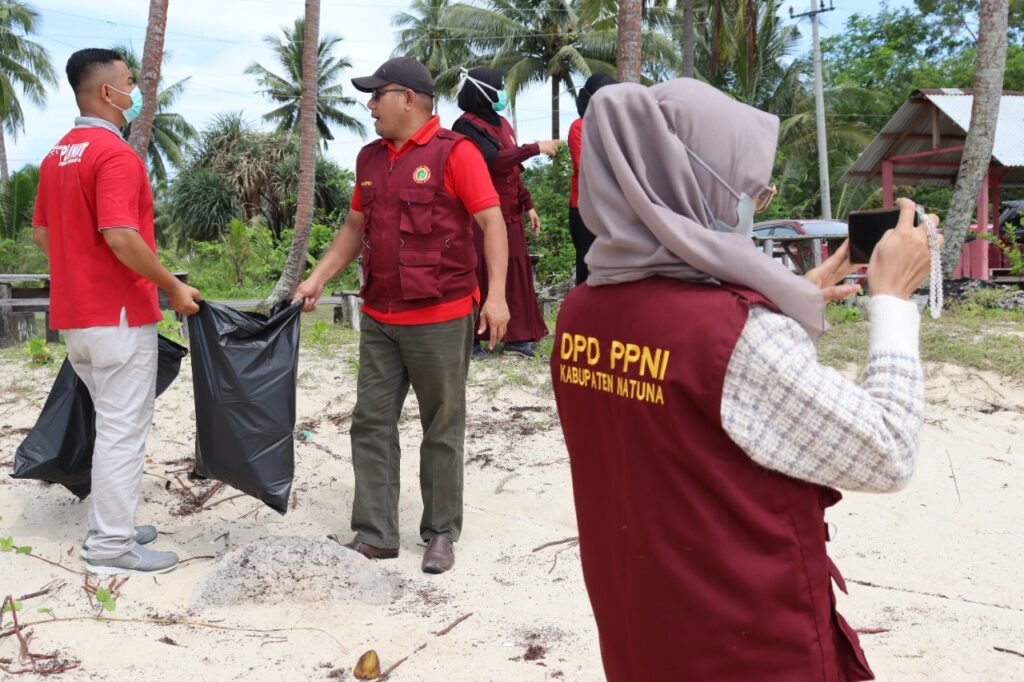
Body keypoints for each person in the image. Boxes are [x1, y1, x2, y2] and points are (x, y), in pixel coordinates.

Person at [550, 78, 941, 681]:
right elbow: (888, 451)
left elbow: (681, 408)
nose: (752, 201)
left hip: (646, 633)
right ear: (693, 183)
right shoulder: (738, 336)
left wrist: (779, 305)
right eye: (746, 185)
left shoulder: (581, 311)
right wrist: (891, 301)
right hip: (751, 644)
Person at [292, 58, 510, 575]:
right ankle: (375, 534)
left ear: (408, 98)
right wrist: (318, 277)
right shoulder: (369, 158)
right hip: (381, 316)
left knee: (441, 426)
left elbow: (492, 222)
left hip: (441, 314)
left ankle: (439, 533)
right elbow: (353, 228)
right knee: (370, 423)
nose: (369, 104)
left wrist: (497, 296)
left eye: (376, 95)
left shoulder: (454, 154)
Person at [31, 48, 202, 575]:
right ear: (108, 92)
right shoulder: (115, 155)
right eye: (130, 82)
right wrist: (172, 285)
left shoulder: (58, 153)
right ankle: (109, 547)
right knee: (123, 430)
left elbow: (43, 235)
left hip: (76, 318)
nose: (137, 91)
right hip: (120, 316)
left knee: (111, 424)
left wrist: (82, 268)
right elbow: (121, 235)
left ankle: (116, 524)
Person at [452, 68, 560, 358]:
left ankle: (518, 337)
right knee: (480, 271)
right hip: (480, 212)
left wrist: (529, 204)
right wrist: (535, 147)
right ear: (483, 91)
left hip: (510, 210)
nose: (502, 93)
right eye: (498, 87)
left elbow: (512, 169)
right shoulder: (465, 127)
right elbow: (494, 160)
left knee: (515, 270)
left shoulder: (501, 124)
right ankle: (475, 340)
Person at [567, 74, 617, 285]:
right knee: (589, 268)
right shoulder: (579, 127)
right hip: (586, 209)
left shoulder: (617, 126)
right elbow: (585, 166)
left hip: (613, 208)